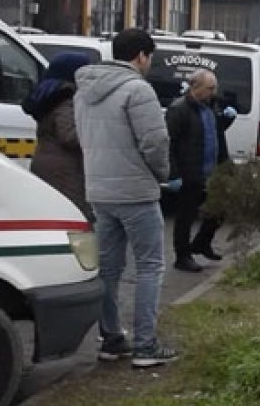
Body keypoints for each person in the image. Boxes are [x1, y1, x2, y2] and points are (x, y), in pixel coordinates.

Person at [74, 28, 177, 367]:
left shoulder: (84, 91)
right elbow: (156, 141)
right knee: (150, 266)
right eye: (150, 57)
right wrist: (162, 174)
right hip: (135, 191)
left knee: (109, 269)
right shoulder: (138, 90)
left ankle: (111, 338)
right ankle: (146, 345)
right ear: (142, 56)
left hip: (100, 191)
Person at [164, 69, 236, 273]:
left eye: (215, 88)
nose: (214, 92)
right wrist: (174, 174)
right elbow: (169, 142)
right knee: (185, 216)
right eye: (210, 88)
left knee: (219, 208)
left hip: (212, 170)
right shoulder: (180, 110)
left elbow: (213, 132)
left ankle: (202, 243)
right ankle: (182, 255)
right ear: (196, 88)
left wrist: (226, 120)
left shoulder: (210, 106)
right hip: (190, 171)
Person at [22, 52, 93, 221]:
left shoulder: (49, 95)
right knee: (71, 217)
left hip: (46, 163)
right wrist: (94, 134)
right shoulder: (66, 98)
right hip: (64, 171)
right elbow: (69, 135)